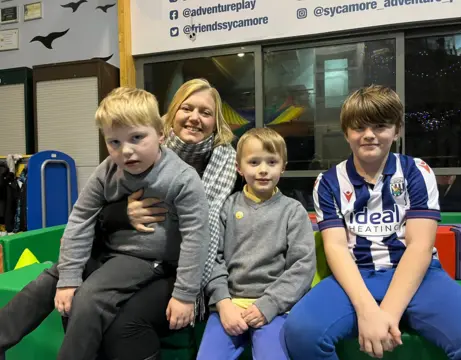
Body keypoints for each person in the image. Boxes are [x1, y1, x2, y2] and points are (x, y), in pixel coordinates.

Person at [0, 78, 237, 360]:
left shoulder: (190, 175)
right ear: (171, 118)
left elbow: (197, 238)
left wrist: (186, 294)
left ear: (159, 135)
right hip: (111, 249)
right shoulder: (111, 167)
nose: (126, 150)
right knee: (52, 277)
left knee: (90, 298)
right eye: (115, 142)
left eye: (137, 139)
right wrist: (69, 276)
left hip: (149, 261)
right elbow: (80, 218)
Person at [283, 85, 461, 360]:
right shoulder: (327, 183)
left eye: (380, 126)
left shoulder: (417, 172)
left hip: (418, 274)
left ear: (396, 130)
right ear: (346, 132)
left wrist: (386, 315)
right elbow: (337, 249)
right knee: (300, 333)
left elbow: (420, 247)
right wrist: (366, 310)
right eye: (359, 127)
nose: (369, 135)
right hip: (356, 274)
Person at [98, 78, 238, 360]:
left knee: (125, 323)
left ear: (216, 121)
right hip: (133, 259)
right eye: (187, 108)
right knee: (93, 309)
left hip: (187, 272)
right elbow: (94, 214)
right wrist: (122, 213)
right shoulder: (142, 149)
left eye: (205, 112)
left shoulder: (230, 167)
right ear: (171, 114)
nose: (195, 118)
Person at [195, 128, 316, 360]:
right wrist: (223, 303)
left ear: (283, 167)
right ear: (239, 168)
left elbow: (302, 267)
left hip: (276, 308)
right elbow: (213, 258)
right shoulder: (227, 207)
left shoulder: (293, 211)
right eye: (254, 162)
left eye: (272, 162)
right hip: (229, 306)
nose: (263, 170)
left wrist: (268, 305)